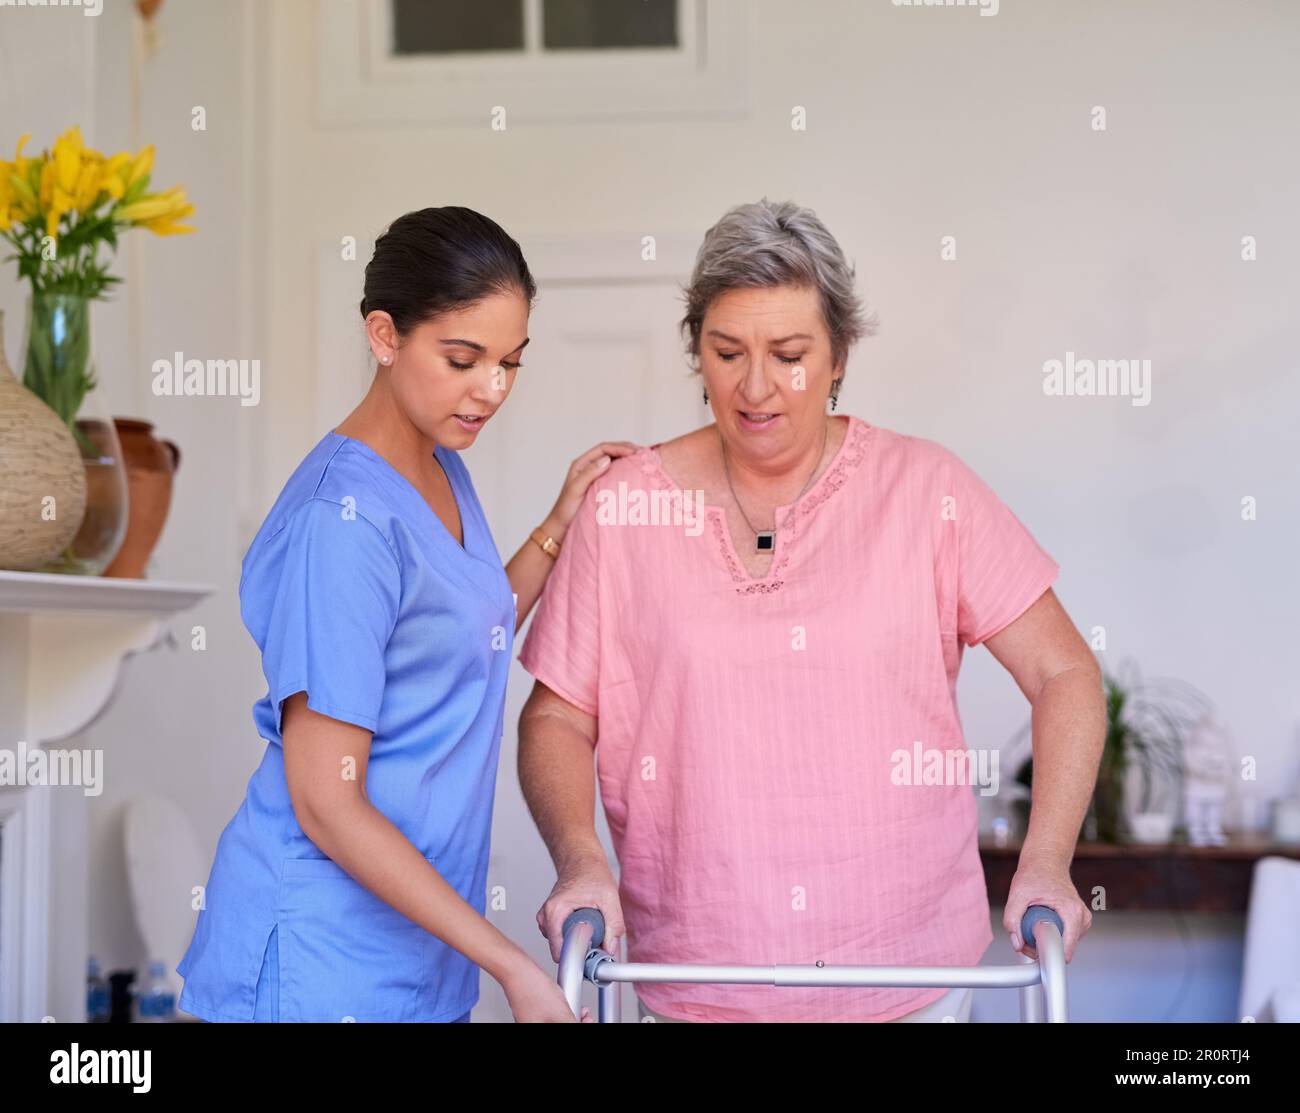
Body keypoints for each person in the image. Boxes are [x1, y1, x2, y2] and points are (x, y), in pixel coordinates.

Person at [516, 198, 1103, 1023]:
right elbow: (554, 720)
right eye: (727, 352)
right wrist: (580, 859)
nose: (756, 386)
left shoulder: (927, 489)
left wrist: (1047, 860)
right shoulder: (626, 509)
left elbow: (1066, 670)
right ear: (696, 353)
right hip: (700, 984)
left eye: (789, 354)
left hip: (909, 977)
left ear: (839, 357)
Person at [176, 206, 634, 1022]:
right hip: (318, 959)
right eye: (464, 359)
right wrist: (509, 965)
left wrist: (558, 524)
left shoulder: (436, 462)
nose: (491, 389)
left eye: (510, 363)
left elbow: (459, 633)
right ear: (384, 335)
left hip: (414, 952)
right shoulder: (340, 521)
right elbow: (326, 800)